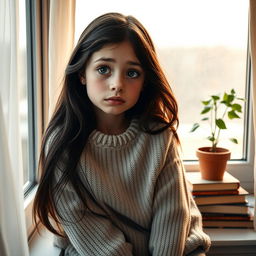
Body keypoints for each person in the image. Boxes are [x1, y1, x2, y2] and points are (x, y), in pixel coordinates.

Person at [33, 12, 211, 256]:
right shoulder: (62, 144)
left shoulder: (161, 136)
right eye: (104, 69)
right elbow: (86, 228)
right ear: (82, 73)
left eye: (132, 73)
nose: (117, 83)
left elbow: (172, 218)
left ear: (145, 81)